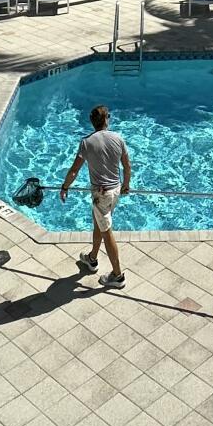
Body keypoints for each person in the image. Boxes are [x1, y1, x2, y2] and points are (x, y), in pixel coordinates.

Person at [60, 104, 131, 288]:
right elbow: (127, 167)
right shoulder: (118, 138)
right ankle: (92, 259)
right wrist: (126, 185)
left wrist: (65, 186)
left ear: (92, 122)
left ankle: (117, 275)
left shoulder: (86, 142)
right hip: (115, 191)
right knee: (98, 223)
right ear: (107, 118)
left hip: (101, 195)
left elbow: (75, 170)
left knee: (106, 232)